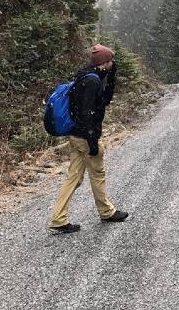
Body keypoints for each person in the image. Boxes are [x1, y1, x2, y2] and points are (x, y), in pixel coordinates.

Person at [49, 43, 129, 232]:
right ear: (104, 62)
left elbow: (104, 101)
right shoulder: (92, 82)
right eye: (111, 61)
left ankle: (58, 218)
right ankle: (107, 211)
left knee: (73, 178)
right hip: (86, 137)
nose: (112, 63)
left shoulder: (85, 76)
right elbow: (87, 113)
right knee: (98, 174)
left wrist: (111, 77)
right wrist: (92, 140)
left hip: (76, 136)